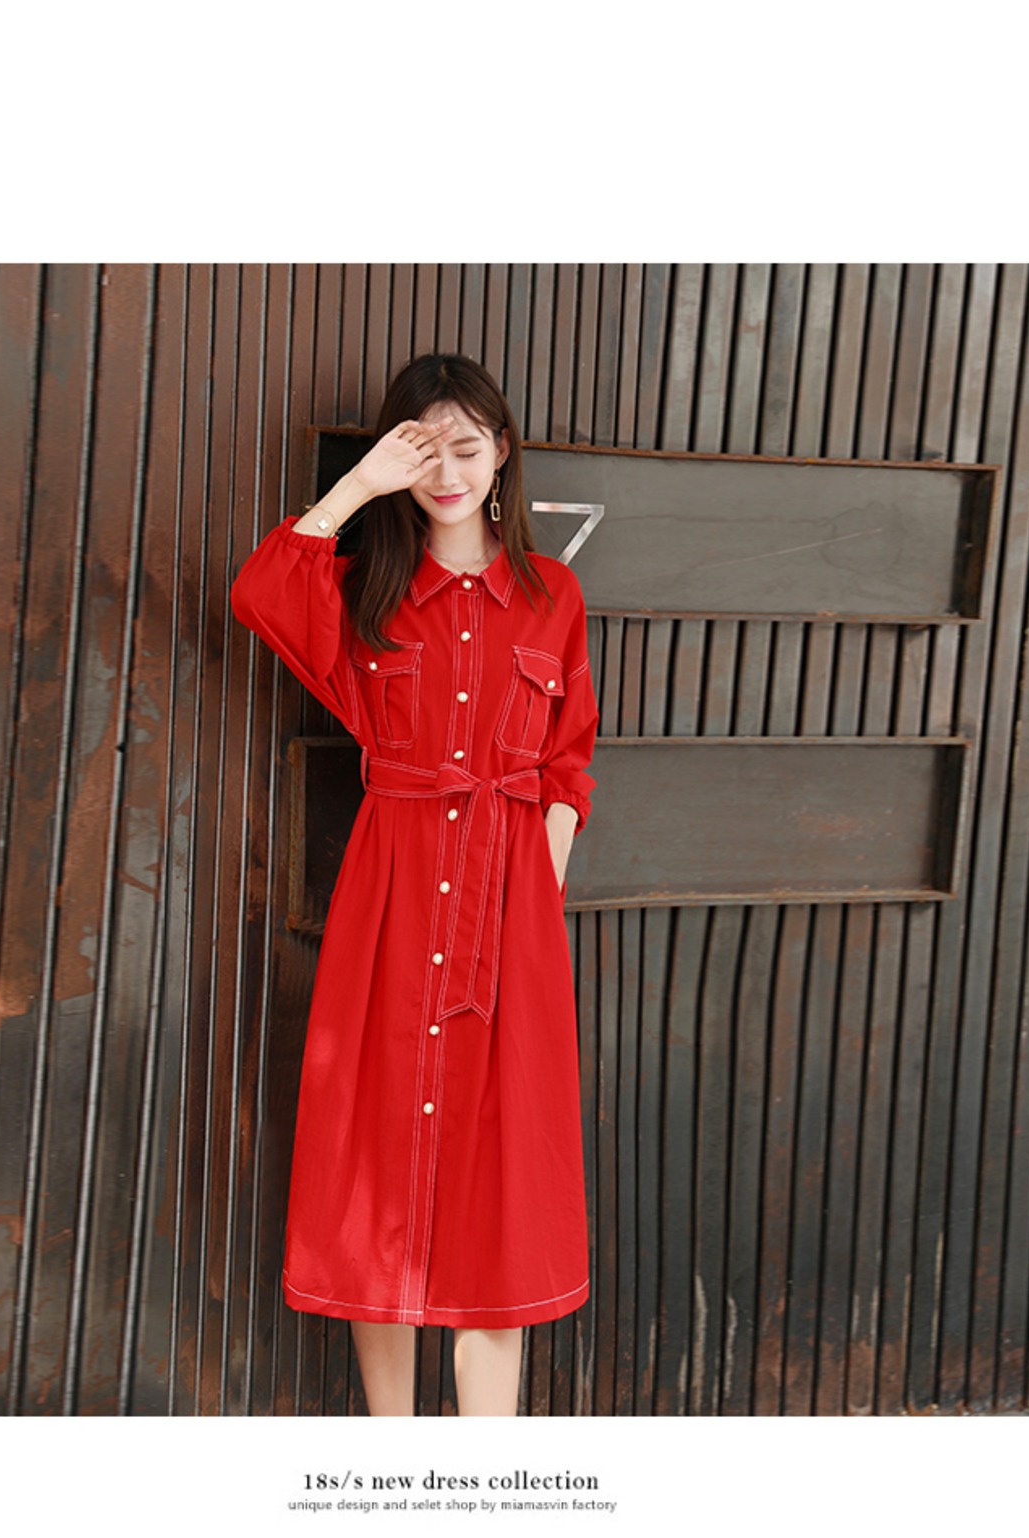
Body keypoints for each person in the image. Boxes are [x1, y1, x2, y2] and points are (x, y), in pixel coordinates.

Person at [230, 353, 598, 1416]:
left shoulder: (551, 595)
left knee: (500, 1179)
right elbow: (260, 594)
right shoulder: (363, 593)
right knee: (377, 1158)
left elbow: (568, 763)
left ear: (502, 455)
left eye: (465, 448)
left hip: (509, 913)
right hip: (390, 903)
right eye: (421, 450)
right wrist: (356, 488)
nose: (446, 472)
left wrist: (537, 892)